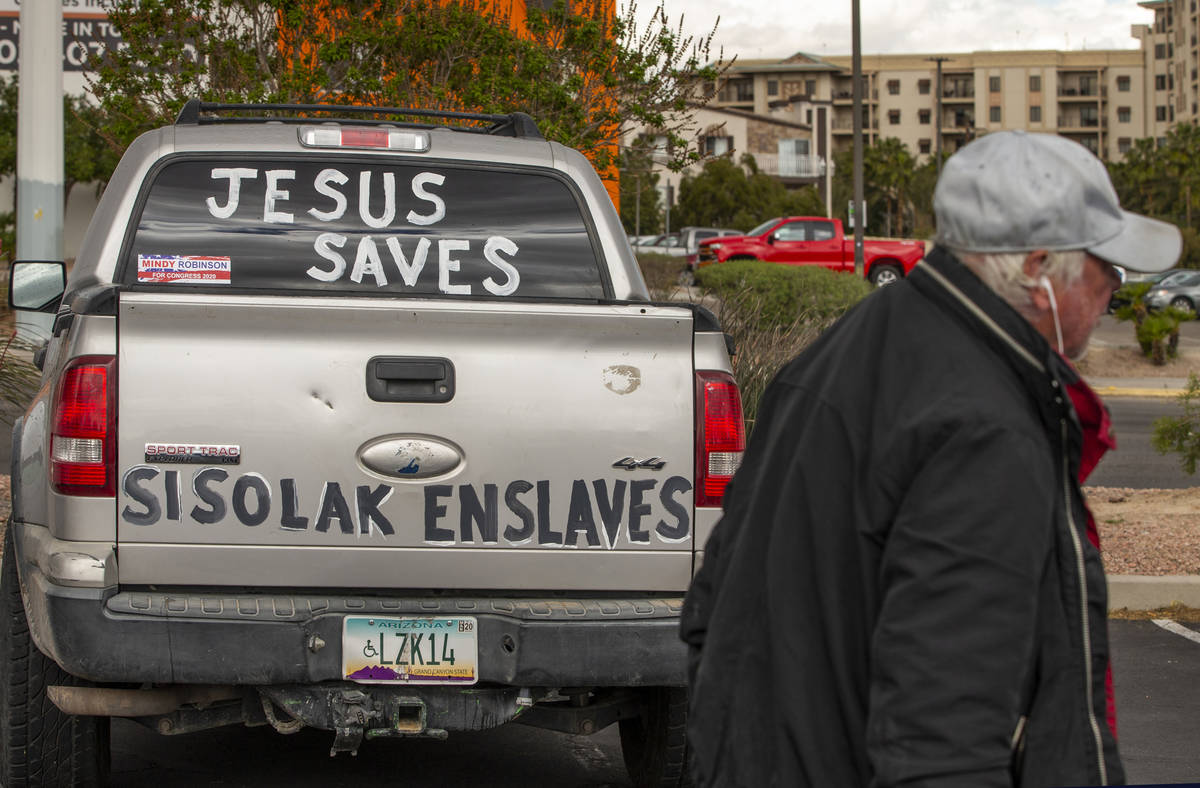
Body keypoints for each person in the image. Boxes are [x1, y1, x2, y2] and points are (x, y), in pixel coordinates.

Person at [680, 130, 1181, 788]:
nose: (1115, 284)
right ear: (1036, 268)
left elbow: (709, 618)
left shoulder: (843, 353)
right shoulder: (984, 428)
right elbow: (944, 737)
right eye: (1103, 265)